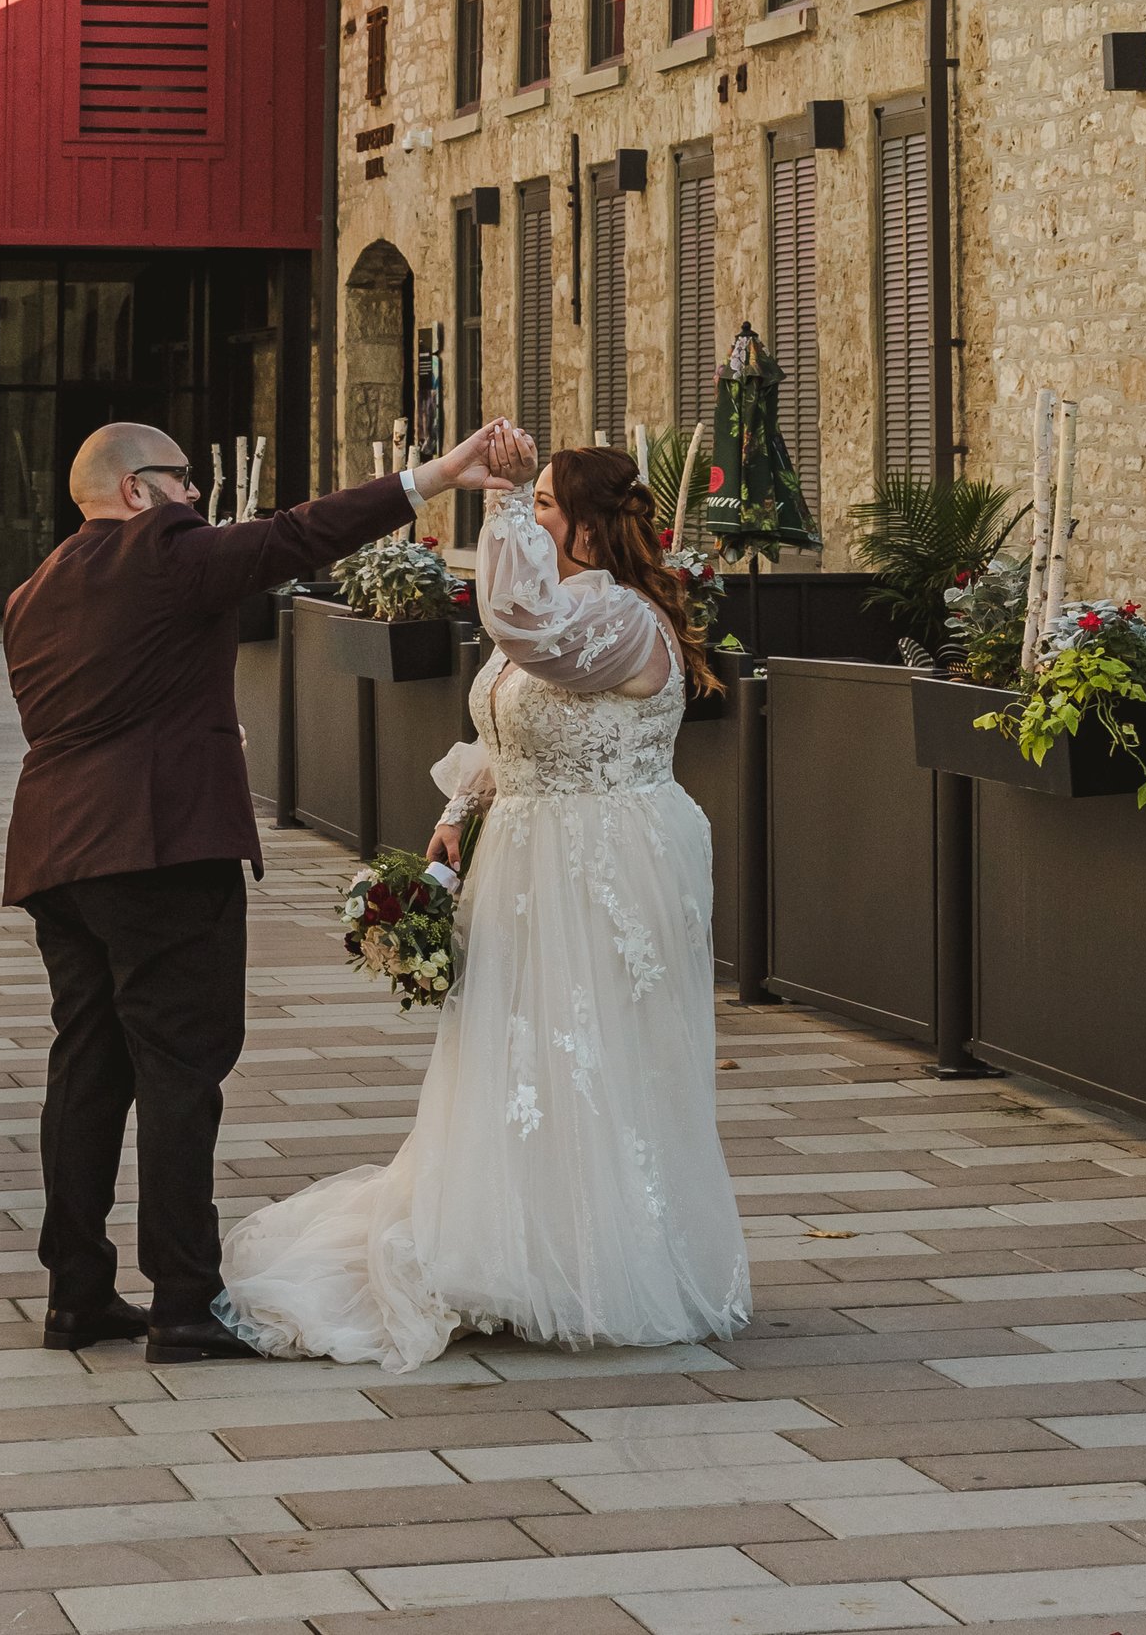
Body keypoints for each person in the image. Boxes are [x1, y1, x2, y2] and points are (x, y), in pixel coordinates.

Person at [218, 433, 752, 1370]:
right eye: (531, 503)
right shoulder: (571, 604)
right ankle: (507, 1240)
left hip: (606, 856)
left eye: (546, 505)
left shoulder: (623, 622)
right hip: (525, 851)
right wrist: (461, 810)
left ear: (587, 524)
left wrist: (494, 500)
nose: (533, 518)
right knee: (517, 1048)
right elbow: (510, 726)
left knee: (596, 1047)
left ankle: (601, 1259)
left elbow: (520, 629)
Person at [1, 410, 522, 1364]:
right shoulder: (163, 548)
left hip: (56, 855)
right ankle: (185, 1303)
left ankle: (76, 1290)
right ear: (137, 492)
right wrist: (435, 477)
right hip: (158, 851)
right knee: (178, 1069)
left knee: (86, 1066)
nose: (196, 498)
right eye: (183, 480)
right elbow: (296, 533)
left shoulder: (34, 591)